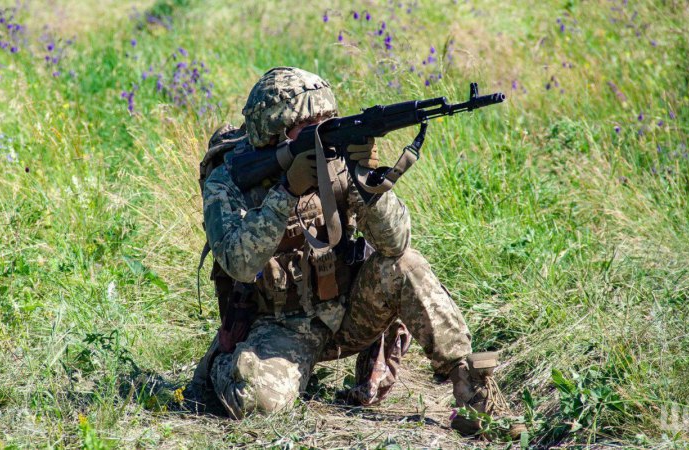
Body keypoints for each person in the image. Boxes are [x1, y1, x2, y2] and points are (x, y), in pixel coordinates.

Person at [190, 66, 525, 438]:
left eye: (328, 120)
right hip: (277, 326)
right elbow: (239, 263)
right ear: (276, 131)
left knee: (406, 264)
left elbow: (395, 243)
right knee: (258, 406)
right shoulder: (228, 179)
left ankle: (474, 395)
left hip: (346, 313)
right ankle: (226, 366)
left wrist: (365, 177)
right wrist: (286, 192)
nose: (325, 130)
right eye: (311, 125)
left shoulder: (337, 165)